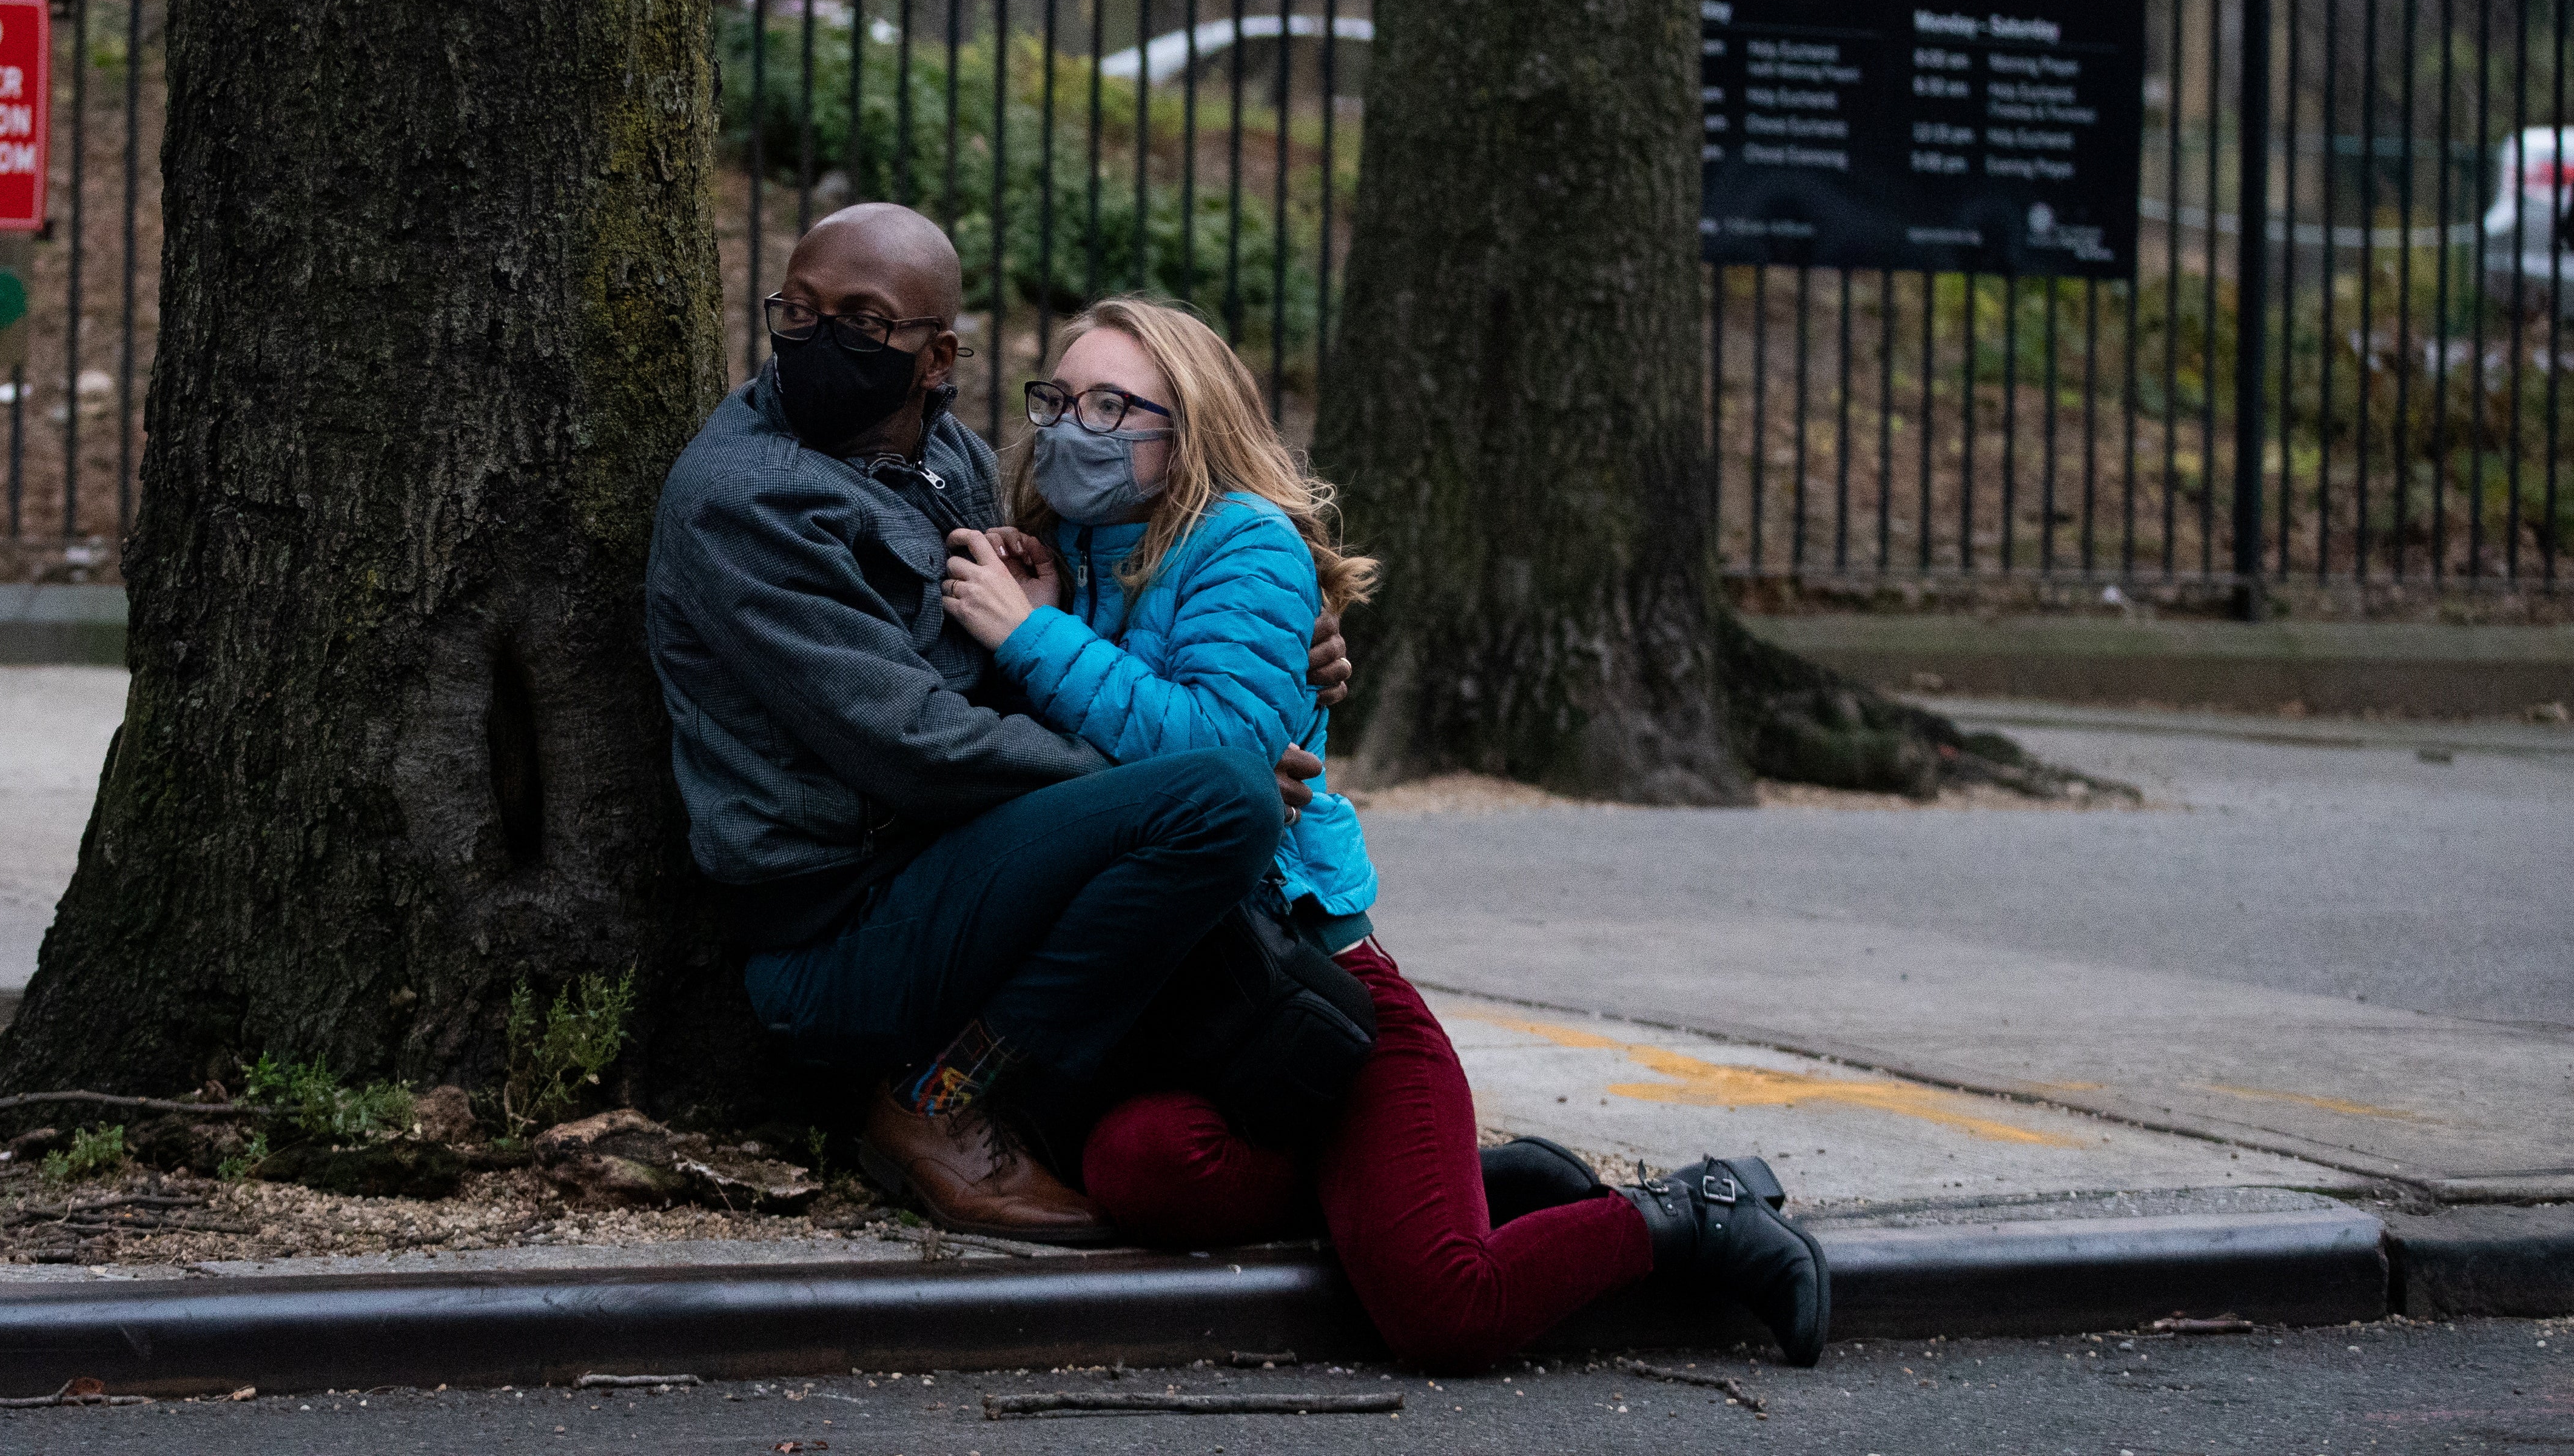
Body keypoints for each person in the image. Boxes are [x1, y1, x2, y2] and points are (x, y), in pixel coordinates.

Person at [935, 295, 1832, 1372]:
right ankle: (1467, 1182)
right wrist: (1045, 614)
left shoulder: (1245, 547)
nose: (1072, 426)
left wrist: (1031, 639)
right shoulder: (1061, 554)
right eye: (1060, 399)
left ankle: (1695, 1211)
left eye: (1114, 404)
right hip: (1177, 1002)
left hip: (1311, 986)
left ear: (1196, 424)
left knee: (1444, 1307)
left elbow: (1218, 755)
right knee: (1138, 1170)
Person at [642, 204, 1343, 1242]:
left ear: (939, 359)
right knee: (1222, 800)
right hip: (840, 926)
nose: (817, 339)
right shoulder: (745, 502)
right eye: (797, 310)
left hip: (961, 874)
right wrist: (1148, 775)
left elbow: (1116, 614)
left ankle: (1418, 1190)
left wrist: (1302, 654)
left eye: (864, 322)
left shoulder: (952, 461)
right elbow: (915, 745)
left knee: (1265, 965)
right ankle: (932, 1104)